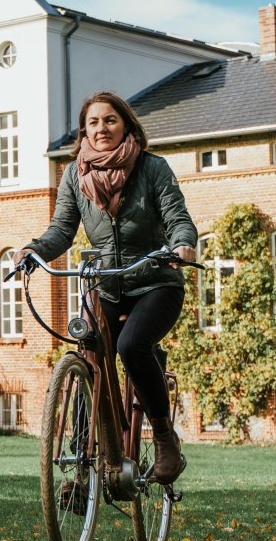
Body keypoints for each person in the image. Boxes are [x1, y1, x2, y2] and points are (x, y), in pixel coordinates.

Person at [22, 91, 198, 488]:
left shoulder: (153, 168)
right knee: (88, 359)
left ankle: (167, 441)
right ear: (84, 131)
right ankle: (83, 467)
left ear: (127, 125)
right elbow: (61, 230)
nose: (102, 128)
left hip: (156, 281)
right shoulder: (74, 175)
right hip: (105, 285)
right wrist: (35, 249)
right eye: (94, 122)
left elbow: (177, 217)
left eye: (110, 120)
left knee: (132, 345)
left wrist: (182, 244)